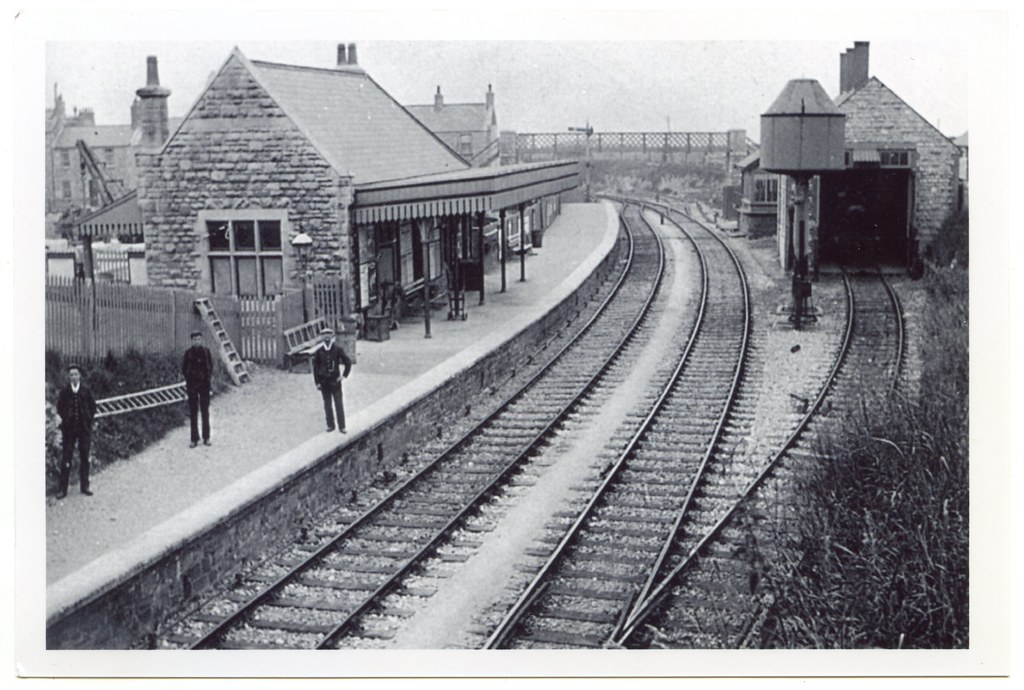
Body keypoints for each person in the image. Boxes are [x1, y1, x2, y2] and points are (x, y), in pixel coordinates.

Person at [55, 364, 97, 498]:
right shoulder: (65, 392)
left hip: (83, 429)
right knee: (66, 457)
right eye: (71, 374)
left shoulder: (86, 391)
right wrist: (66, 419)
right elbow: (59, 407)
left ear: (80, 376)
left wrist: (88, 419)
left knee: (85, 456)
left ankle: (85, 486)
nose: (73, 377)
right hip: (69, 430)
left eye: (76, 374)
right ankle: (63, 489)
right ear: (69, 377)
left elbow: (93, 407)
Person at [312, 325, 352, 433]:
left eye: (328, 334)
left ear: (332, 336)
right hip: (324, 383)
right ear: (322, 337)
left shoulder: (337, 350)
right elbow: (315, 368)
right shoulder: (319, 352)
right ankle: (330, 425)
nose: (326, 337)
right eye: (324, 335)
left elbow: (348, 362)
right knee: (327, 404)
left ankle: (342, 426)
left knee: (338, 403)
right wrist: (317, 382)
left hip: (335, 382)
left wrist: (343, 376)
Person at [182, 329, 213, 448]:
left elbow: (210, 367)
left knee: (205, 411)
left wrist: (207, 380)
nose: (197, 341)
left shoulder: (206, 352)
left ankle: (207, 437)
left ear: (202, 340)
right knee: (193, 412)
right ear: (192, 341)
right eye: (195, 339)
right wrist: (190, 379)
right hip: (192, 385)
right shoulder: (188, 353)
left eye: (199, 339)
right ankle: (194, 439)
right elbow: (184, 369)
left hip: (204, 385)